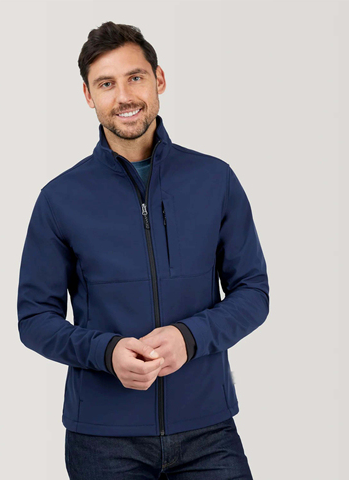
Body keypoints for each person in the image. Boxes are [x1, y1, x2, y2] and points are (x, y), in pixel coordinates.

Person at [17, 21, 269, 480]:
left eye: (135, 77)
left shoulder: (214, 180)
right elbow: (34, 318)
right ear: (89, 96)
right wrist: (106, 351)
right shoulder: (59, 199)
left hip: (209, 432)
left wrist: (190, 338)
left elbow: (253, 292)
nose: (124, 96)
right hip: (103, 442)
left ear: (159, 80)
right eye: (106, 84)